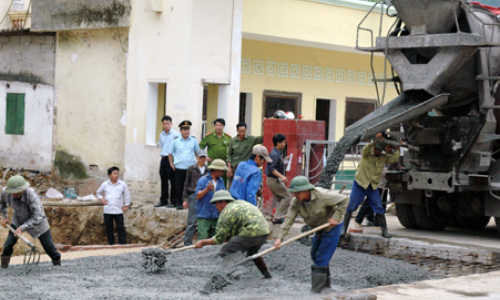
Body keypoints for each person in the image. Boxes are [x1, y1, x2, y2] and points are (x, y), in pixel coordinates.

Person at [273, 176, 348, 293]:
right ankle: (326, 285)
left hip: (331, 227)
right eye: (294, 193)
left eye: (298, 192)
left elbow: (345, 200)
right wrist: (279, 238)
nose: (295, 195)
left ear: (306, 190)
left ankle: (316, 291)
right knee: (314, 254)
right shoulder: (296, 202)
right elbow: (289, 220)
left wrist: (336, 217)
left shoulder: (323, 196)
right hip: (318, 228)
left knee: (321, 257)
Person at [194, 190, 272, 279]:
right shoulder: (240, 203)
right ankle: (267, 275)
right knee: (252, 253)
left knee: (225, 251)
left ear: (222, 202)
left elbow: (219, 239)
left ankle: (230, 276)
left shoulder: (226, 212)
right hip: (264, 232)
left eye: (216, 204)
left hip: (250, 233)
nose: (216, 207)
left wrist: (202, 242)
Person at [341, 135, 400, 240]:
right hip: (360, 184)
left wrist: (397, 148)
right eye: (376, 149)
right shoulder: (366, 154)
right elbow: (365, 149)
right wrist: (373, 142)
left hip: (372, 186)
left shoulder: (383, 158)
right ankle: (343, 230)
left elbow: (394, 158)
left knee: (379, 207)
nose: (377, 151)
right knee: (351, 206)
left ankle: (384, 231)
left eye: (379, 150)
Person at [1, 175, 62, 268]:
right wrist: (4, 217)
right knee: (8, 244)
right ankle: (4, 267)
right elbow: (1, 202)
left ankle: (58, 265)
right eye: (13, 192)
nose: (15, 194)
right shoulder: (5, 192)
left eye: (18, 192)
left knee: (49, 247)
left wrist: (22, 227)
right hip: (18, 219)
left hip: (38, 222)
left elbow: (37, 217)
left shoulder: (32, 195)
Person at [96, 166, 132, 245]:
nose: (116, 175)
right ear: (110, 175)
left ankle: (122, 245)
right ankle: (111, 245)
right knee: (109, 229)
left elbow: (127, 195)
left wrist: (127, 205)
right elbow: (98, 192)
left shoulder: (122, 184)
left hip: (118, 211)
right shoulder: (105, 184)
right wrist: (101, 199)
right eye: (114, 173)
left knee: (120, 228)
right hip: (108, 210)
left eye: (117, 173)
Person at [169, 120, 200, 210]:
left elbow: (197, 153)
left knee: (190, 187)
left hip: (190, 168)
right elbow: (170, 154)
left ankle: (190, 203)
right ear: (181, 131)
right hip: (179, 168)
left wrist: (198, 164)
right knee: (179, 186)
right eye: (184, 129)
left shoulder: (193, 140)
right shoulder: (175, 141)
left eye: (188, 129)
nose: (187, 131)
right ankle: (179, 203)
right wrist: (171, 164)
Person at [195, 159, 227, 240]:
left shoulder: (221, 181)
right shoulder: (203, 180)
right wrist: (207, 190)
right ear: (216, 170)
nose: (223, 173)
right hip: (204, 215)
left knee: (215, 239)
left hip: (216, 215)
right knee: (203, 237)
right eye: (222, 171)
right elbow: (197, 196)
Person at [182, 150, 209, 246]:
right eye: (200, 157)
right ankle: (187, 244)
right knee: (191, 221)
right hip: (193, 195)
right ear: (197, 157)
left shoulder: (208, 170)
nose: (202, 159)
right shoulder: (191, 169)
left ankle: (201, 242)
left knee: (203, 220)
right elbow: (186, 184)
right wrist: (185, 199)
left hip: (204, 196)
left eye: (204, 157)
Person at [265, 134, 293, 224]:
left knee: (281, 198)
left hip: (273, 179)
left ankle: (276, 217)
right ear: (278, 143)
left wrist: (284, 159)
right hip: (274, 179)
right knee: (287, 196)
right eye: (283, 143)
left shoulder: (276, 153)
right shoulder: (274, 154)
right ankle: (278, 216)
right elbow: (271, 168)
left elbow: (276, 164)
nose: (284, 144)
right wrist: (282, 176)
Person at [226, 123, 263, 189]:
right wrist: (229, 168)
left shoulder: (251, 139)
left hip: (245, 170)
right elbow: (229, 155)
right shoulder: (233, 141)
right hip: (234, 169)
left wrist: (264, 124)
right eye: (241, 131)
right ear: (237, 131)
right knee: (232, 186)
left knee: (243, 186)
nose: (242, 133)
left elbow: (262, 138)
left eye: (244, 131)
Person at [157, 115, 180, 208]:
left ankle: (173, 201)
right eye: (164, 124)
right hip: (163, 158)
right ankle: (163, 200)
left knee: (173, 181)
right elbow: (161, 145)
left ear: (171, 124)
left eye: (168, 123)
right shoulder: (161, 135)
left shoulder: (175, 135)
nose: (166, 125)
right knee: (163, 180)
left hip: (172, 159)